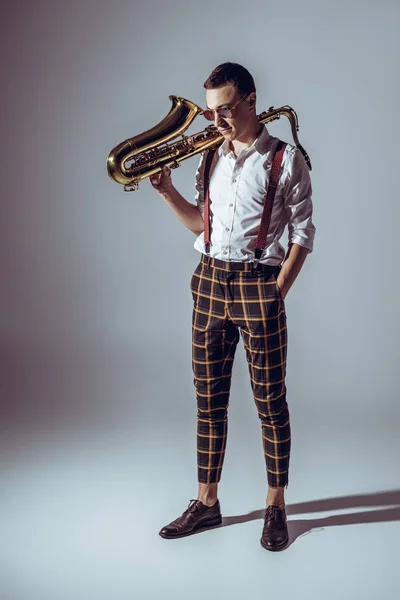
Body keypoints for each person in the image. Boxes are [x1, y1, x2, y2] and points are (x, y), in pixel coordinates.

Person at [149, 62, 315, 551]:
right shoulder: (209, 159)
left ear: (250, 100)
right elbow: (202, 228)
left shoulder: (286, 159)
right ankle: (206, 503)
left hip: (258, 284)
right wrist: (166, 192)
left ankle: (276, 505)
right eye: (211, 111)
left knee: (269, 402)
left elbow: (303, 236)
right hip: (208, 284)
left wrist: (275, 292)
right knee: (208, 399)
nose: (215, 120)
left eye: (224, 110)